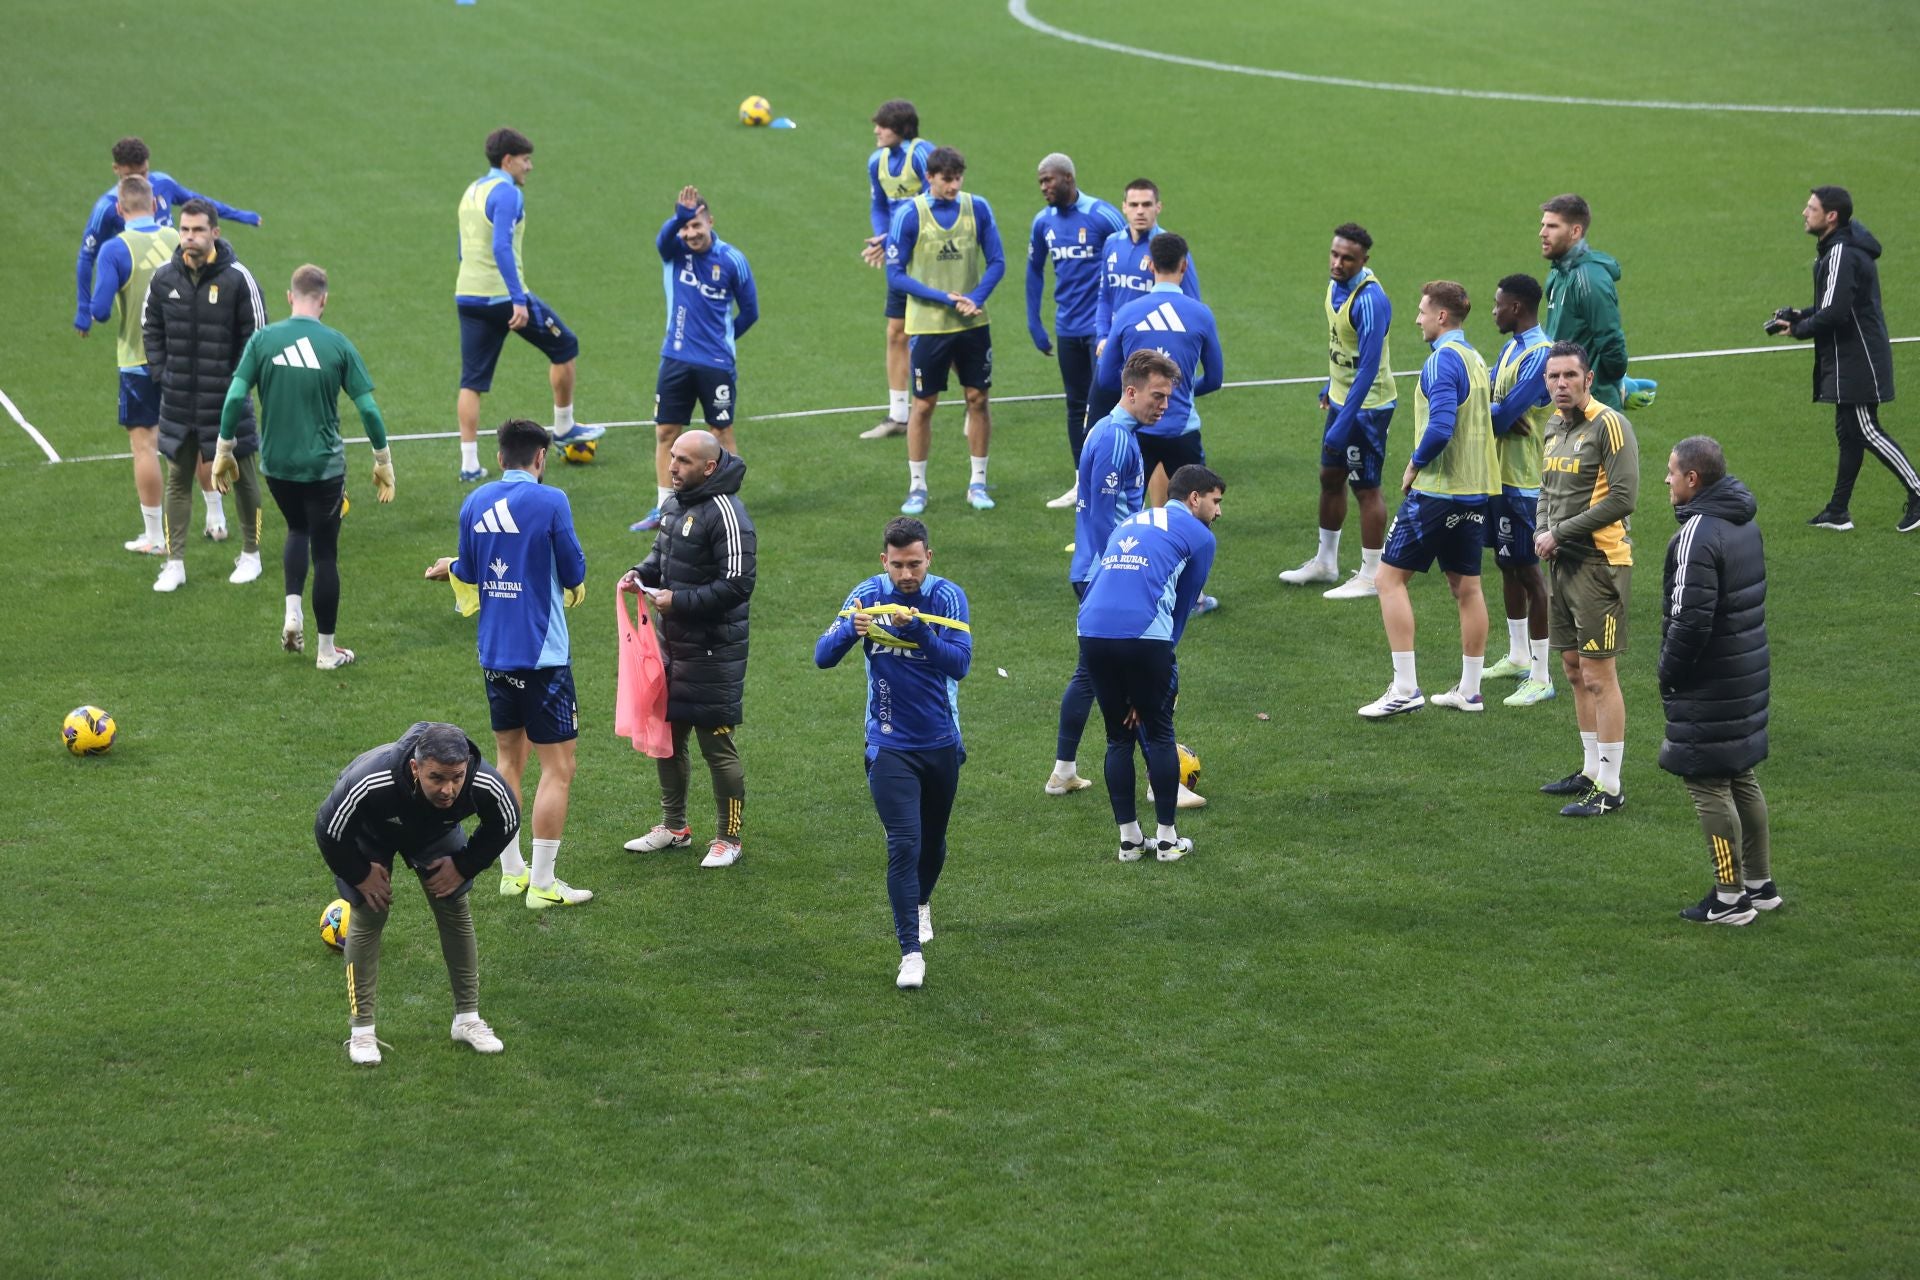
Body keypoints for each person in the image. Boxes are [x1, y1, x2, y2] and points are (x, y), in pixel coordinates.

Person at [425, 418, 591, 907]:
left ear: (499, 457)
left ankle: (511, 871)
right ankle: (543, 884)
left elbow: (471, 570)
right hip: (543, 659)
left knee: (507, 763)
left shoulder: (474, 502)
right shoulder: (551, 500)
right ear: (540, 457)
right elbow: (575, 571)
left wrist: (448, 568)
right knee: (558, 768)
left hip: (495, 655)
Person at [814, 517, 973, 990]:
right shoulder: (866, 595)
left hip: (941, 742)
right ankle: (910, 953)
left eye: (915, 565)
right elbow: (822, 655)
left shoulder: (947, 597)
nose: (907, 575)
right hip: (889, 743)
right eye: (898, 565)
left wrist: (919, 630)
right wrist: (851, 631)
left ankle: (921, 902)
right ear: (884, 560)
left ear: (929, 559)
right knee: (904, 842)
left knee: (933, 841)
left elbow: (959, 664)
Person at [218, 265, 394, 668]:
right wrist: (383, 460)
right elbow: (368, 409)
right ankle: (327, 652)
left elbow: (234, 397)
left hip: (276, 466)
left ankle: (292, 613)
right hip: (323, 468)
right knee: (326, 554)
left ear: (289, 297)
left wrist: (225, 449)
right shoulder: (337, 343)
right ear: (324, 299)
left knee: (296, 528)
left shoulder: (263, 340)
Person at [316, 721, 520, 1065]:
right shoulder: (370, 780)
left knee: (453, 904)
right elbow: (327, 829)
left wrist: (464, 865)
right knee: (369, 911)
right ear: (415, 767)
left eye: (456, 777)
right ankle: (362, 1030)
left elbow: (507, 821)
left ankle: (467, 1019)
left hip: (433, 832)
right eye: (436, 778)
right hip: (372, 831)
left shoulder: (483, 782)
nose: (448, 790)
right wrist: (360, 874)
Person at [1358, 282, 1498, 718]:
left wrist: (1414, 464)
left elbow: (1440, 427)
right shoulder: (1475, 358)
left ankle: (1404, 688)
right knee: (1466, 587)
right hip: (1475, 491)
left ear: (1441, 316)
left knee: (1387, 579)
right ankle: (1470, 691)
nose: (1417, 319)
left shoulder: (1442, 361)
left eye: (1422, 312)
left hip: (1438, 492)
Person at [1658, 436, 1781, 926]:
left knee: (1707, 783)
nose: (1666, 480)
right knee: (1741, 774)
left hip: (1709, 679)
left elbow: (1689, 622)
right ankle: (1760, 885)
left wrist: (1668, 673)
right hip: (1744, 670)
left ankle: (1730, 897)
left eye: (1671, 472)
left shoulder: (1698, 533)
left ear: (1693, 479)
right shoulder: (1743, 521)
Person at [621, 431, 757, 867]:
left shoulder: (727, 513)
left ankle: (729, 838)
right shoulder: (675, 504)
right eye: (673, 457)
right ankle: (674, 826)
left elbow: (738, 584)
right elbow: (661, 557)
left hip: (714, 650)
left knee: (716, 745)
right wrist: (639, 574)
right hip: (673, 646)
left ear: (709, 467)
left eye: (683, 461)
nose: (672, 466)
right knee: (668, 737)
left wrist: (677, 601)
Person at [1077, 464, 1225, 862]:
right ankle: (1166, 841)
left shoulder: (1131, 521)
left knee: (1117, 737)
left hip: (1090, 631)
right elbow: (1182, 608)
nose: (1218, 511)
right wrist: (1155, 677)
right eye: (1215, 502)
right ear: (1194, 498)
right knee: (1158, 732)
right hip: (1144, 636)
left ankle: (1128, 841)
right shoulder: (1201, 536)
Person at [1047, 350, 1170, 797]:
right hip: (1106, 574)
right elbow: (1102, 516)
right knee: (1141, 675)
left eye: (1168, 397)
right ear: (1131, 391)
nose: (1164, 405)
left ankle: (1063, 771)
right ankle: (1161, 782)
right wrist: (1116, 575)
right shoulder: (1116, 438)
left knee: (1089, 674)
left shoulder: (1110, 431)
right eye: (1157, 396)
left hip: (1095, 570)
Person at [1767, 186, 1920, 534]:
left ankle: (1917, 492)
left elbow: (1835, 313)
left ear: (1831, 216)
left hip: (1858, 357)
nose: (1804, 213)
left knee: (1865, 429)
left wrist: (1799, 329)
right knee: (1849, 433)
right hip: (1851, 354)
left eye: (1812, 208)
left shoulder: (1841, 252)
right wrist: (1798, 314)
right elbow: (1834, 303)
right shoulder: (1838, 249)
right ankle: (1838, 511)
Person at [453, 127, 598, 483]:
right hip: (503, 297)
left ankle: (469, 464)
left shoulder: (472, 191)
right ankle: (564, 426)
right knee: (565, 345)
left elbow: (461, 248)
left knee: (471, 381)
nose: (529, 167)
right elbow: (501, 246)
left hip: (468, 294)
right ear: (508, 160)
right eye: (525, 159)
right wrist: (518, 299)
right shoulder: (507, 194)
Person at [1536, 341, 1640, 817]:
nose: (1561, 384)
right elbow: (1546, 490)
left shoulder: (1609, 425)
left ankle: (1611, 788)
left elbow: (1623, 498)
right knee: (1574, 669)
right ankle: (1590, 769)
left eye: (1570, 376)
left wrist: (1558, 533)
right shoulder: (1553, 426)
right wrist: (1542, 531)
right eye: (1553, 377)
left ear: (1588, 379)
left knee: (1599, 675)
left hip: (1600, 564)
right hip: (1561, 563)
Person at [1092, 234, 1225, 607]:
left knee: (1127, 513)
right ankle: (1193, 596)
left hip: (1139, 432)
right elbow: (1215, 378)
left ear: (1150, 265)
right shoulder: (1200, 314)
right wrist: (1182, 394)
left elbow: (1106, 379)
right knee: (1193, 512)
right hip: (1183, 431)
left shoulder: (1129, 313)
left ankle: (1119, 587)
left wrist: (1142, 398)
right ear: (1185, 265)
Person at [142, 199, 266, 593]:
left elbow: (257, 336)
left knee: (244, 478)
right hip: (179, 400)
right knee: (178, 480)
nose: (189, 237)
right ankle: (174, 562)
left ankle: (251, 554)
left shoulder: (238, 279)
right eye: (184, 229)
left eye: (197, 230)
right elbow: (150, 328)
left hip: (226, 401)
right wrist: (162, 373)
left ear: (215, 232)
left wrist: (238, 384)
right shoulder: (164, 279)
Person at [1279, 223, 1398, 600]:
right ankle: (1326, 563)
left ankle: (1372, 575)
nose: (1337, 262)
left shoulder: (1369, 301)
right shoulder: (1334, 287)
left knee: (1365, 487)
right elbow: (1342, 350)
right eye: (1334, 254)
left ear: (1364, 260)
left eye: (1347, 258)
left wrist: (1345, 421)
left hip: (1368, 409)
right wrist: (1330, 386)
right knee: (1330, 477)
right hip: (1342, 400)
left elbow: (1368, 366)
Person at [884, 146, 1006, 515]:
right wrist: (945, 299)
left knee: (978, 399)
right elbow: (895, 275)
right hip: (928, 327)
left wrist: (976, 298)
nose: (953, 186)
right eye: (946, 179)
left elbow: (997, 261)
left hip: (973, 323)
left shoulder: (977, 208)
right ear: (930, 178)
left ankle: (978, 482)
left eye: (958, 178)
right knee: (923, 405)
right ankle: (917, 486)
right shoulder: (910, 215)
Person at [630, 186, 760, 533]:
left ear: (710, 222)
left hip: (716, 363)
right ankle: (663, 508)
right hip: (675, 359)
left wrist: (722, 339)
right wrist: (680, 216)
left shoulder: (732, 259)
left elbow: (750, 311)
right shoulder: (674, 252)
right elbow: (663, 237)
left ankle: (729, 507)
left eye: (696, 225)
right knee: (666, 432)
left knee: (721, 430)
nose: (690, 233)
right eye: (685, 227)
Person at [74, 136, 260, 339]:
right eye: (130, 176)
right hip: (141, 288)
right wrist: (83, 309)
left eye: (143, 173)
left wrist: (240, 215)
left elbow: (200, 202)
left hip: (179, 277)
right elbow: (86, 256)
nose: (140, 182)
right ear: (115, 169)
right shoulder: (106, 208)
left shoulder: (163, 184)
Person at [1081, 178, 1203, 484]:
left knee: (1153, 441)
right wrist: (1103, 336)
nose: (1140, 211)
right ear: (1123, 207)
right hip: (1115, 358)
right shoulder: (1113, 243)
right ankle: (1087, 485)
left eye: (1146, 204)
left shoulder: (1170, 252)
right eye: (1133, 204)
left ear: (1158, 207)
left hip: (1152, 364)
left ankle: (1156, 508)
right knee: (1101, 433)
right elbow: (1104, 296)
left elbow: (1192, 306)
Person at [85, 176, 179, 556]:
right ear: (155, 205)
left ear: (119, 209)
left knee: (145, 447)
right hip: (183, 358)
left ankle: (155, 536)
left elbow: (100, 310)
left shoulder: (115, 249)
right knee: (192, 437)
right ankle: (216, 519)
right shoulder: (177, 239)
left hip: (138, 361)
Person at [1027, 154, 1126, 506]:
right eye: (1040, 182)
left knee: (1109, 403)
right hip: (1067, 327)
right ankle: (1082, 481)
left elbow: (1129, 256)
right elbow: (1034, 269)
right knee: (1075, 404)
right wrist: (1034, 322)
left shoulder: (1102, 215)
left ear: (1068, 178)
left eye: (1048, 180)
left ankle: (1118, 480)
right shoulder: (1043, 222)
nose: (1043, 187)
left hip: (1102, 332)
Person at [1483, 274, 1557, 707]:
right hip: (1500, 475)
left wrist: (1499, 414)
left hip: (1527, 482)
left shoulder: (1540, 355)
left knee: (1530, 573)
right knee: (1506, 563)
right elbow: (1482, 401)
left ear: (1516, 307)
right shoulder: (1511, 348)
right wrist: (1498, 413)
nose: (1493, 311)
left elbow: (1498, 415)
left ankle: (1542, 676)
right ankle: (1517, 656)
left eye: (1498, 304)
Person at [859, 100, 936, 441]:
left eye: (883, 125)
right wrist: (883, 236)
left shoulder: (921, 154)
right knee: (896, 332)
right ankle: (898, 415)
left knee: (944, 332)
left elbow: (936, 201)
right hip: (900, 256)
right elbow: (879, 205)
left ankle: (974, 399)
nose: (876, 131)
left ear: (901, 128)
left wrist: (891, 237)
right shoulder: (876, 161)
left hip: (930, 257)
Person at [1538, 194, 1655, 412]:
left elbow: (1611, 342)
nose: (1542, 233)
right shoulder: (1558, 274)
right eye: (1543, 225)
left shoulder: (1589, 280)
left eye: (1552, 226)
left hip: (1592, 406)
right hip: (1566, 400)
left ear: (1575, 231)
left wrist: (1615, 383)